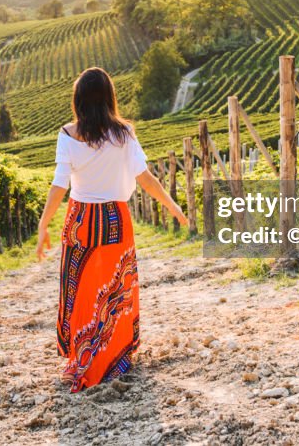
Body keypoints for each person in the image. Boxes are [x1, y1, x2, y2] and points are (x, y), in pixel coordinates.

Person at [35, 67, 186, 393]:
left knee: (82, 292)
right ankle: (114, 357)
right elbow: (145, 178)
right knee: (117, 291)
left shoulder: (67, 135)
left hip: (80, 221)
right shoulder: (124, 134)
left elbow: (60, 183)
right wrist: (172, 205)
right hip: (116, 220)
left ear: (78, 100)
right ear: (109, 98)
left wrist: (43, 223)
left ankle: (82, 359)